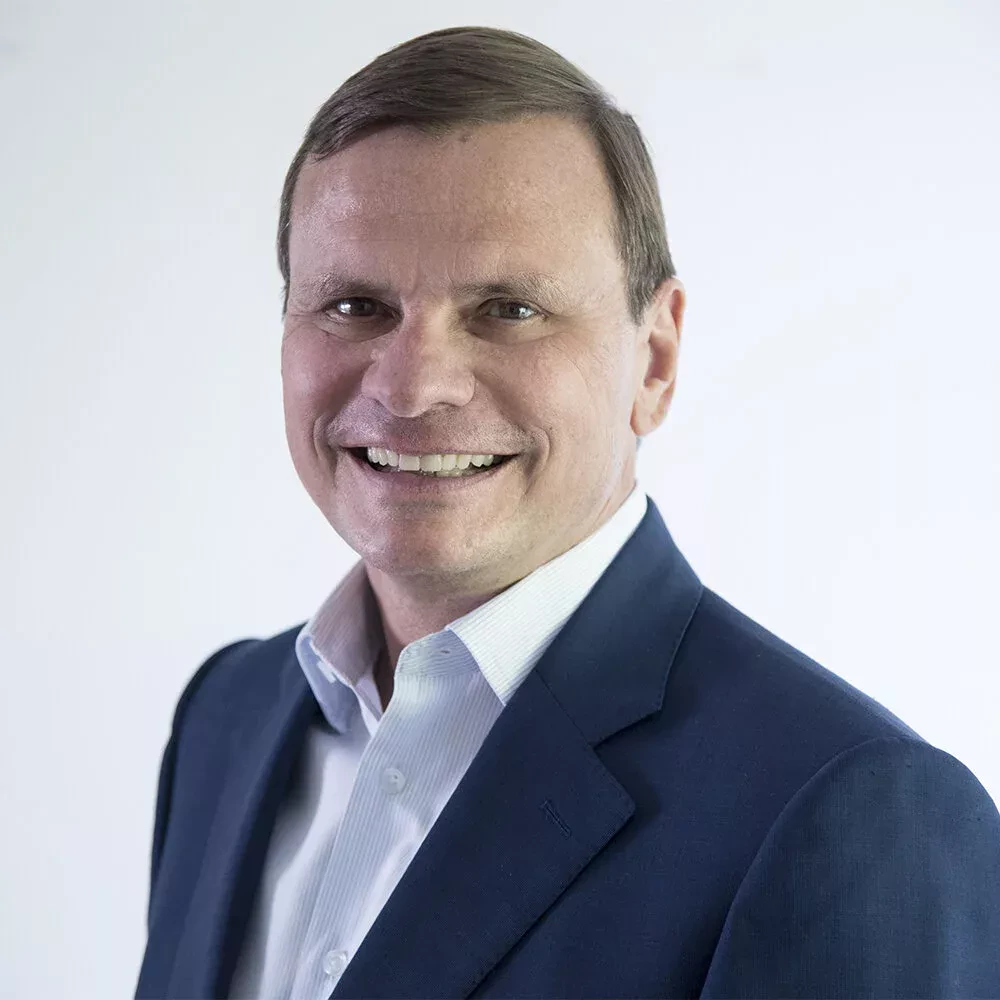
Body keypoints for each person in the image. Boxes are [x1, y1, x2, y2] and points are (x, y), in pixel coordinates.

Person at [134, 26, 1000, 1000]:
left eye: (507, 308)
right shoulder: (228, 717)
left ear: (656, 359)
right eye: (354, 305)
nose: (413, 385)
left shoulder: (858, 815)